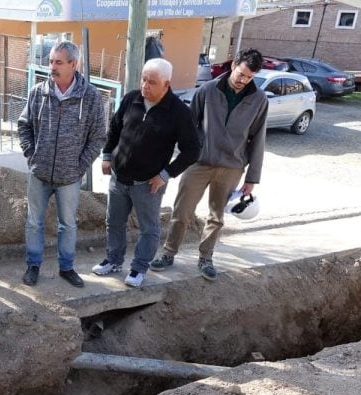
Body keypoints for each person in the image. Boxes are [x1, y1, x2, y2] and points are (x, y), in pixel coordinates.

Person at [150, 48, 268, 281]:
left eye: (250, 77)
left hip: (232, 168)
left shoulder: (259, 100)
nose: (244, 80)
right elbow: (188, 126)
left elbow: (258, 139)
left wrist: (252, 178)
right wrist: (181, 158)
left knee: (216, 217)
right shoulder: (207, 90)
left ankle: (206, 258)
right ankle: (168, 253)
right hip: (199, 163)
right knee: (182, 211)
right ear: (234, 65)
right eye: (242, 74)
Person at [92, 58, 200, 287]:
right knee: (114, 222)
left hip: (148, 183)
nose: (145, 86)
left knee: (148, 229)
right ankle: (113, 260)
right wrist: (107, 154)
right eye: (143, 79)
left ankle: (139, 268)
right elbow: (115, 126)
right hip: (119, 177)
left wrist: (165, 174)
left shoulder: (178, 112)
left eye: (152, 82)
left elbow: (192, 150)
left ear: (166, 84)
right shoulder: (132, 98)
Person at [17, 41, 107, 288]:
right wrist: (31, 154)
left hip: (70, 176)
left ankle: (66, 268)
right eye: (51, 61)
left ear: (73, 64)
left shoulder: (90, 97)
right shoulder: (38, 92)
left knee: (67, 224)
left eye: (58, 62)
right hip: (39, 172)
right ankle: (33, 265)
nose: (52, 67)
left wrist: (80, 166)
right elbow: (24, 125)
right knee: (33, 221)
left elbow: (98, 136)